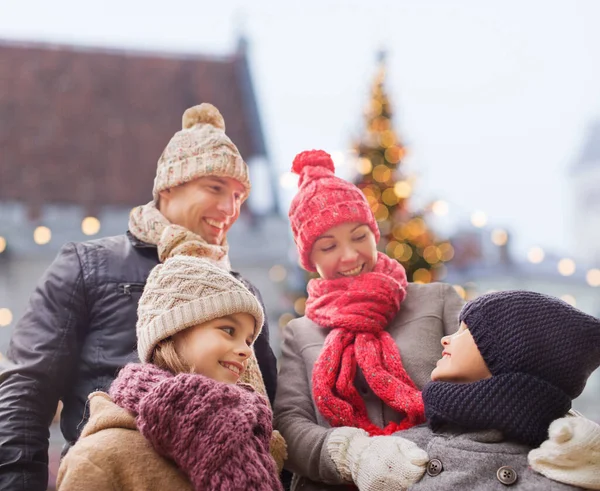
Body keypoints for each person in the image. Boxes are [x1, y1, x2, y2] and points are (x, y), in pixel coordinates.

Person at [274, 149, 600, 491]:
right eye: (328, 246)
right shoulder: (300, 332)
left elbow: (500, 373)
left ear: (374, 233)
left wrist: (567, 431)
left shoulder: (435, 299)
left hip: (448, 477)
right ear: (309, 257)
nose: (350, 255)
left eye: (359, 236)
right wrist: (353, 455)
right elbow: (291, 425)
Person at [0, 103, 278, 491]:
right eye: (215, 188)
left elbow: (269, 412)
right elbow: (26, 390)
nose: (228, 209)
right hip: (113, 474)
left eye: (238, 196)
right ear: (169, 185)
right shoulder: (89, 265)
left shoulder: (242, 293)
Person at [330, 290, 600, 490]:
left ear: (513, 355)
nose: (446, 339)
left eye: (466, 330)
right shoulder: (405, 453)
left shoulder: (565, 463)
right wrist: (356, 453)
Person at [57, 255, 285, 490]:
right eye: (228, 330)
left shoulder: (249, 439)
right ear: (172, 332)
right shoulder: (100, 457)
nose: (246, 351)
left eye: (249, 340)